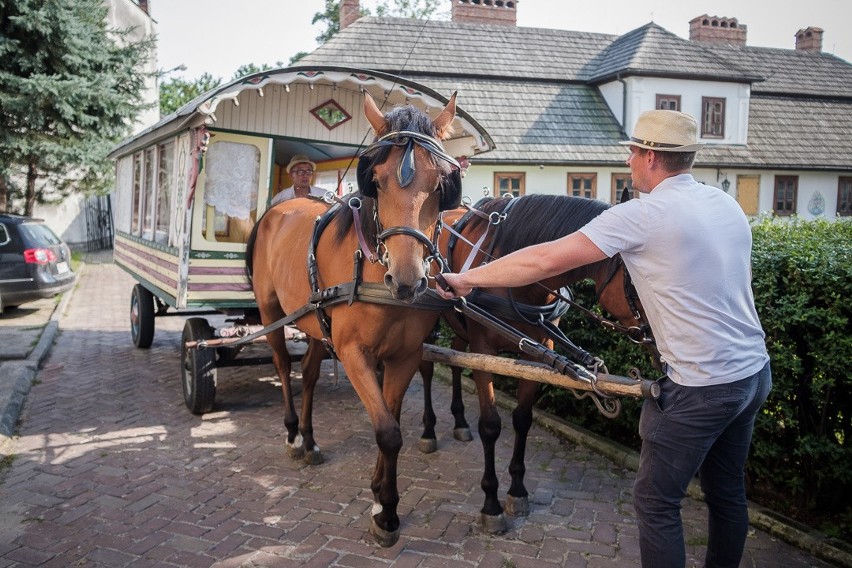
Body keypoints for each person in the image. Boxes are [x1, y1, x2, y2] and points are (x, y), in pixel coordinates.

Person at [436, 109, 772, 568]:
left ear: (651, 156)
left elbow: (542, 261)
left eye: (633, 152)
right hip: (755, 373)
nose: (629, 161)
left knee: (656, 503)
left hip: (700, 387)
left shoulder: (643, 215)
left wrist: (465, 279)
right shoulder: (724, 204)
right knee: (728, 493)